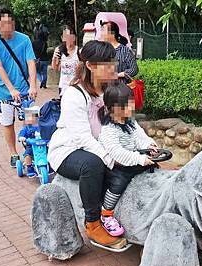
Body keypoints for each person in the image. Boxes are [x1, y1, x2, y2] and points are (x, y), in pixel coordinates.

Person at [47, 40, 128, 252]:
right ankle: (92, 224)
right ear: (91, 65)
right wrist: (111, 158)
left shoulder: (109, 90)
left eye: (113, 63)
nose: (113, 69)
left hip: (97, 145)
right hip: (69, 150)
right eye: (107, 64)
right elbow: (83, 138)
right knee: (94, 164)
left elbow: (127, 121)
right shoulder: (74, 94)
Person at [98, 82, 156, 236]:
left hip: (135, 159)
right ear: (112, 108)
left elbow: (140, 137)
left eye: (131, 104)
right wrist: (140, 159)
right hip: (119, 166)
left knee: (154, 171)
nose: (130, 109)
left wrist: (149, 145)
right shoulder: (108, 130)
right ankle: (106, 214)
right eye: (125, 106)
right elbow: (117, 153)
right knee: (118, 183)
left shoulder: (130, 121)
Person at [0, 6, 38, 168]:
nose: (9, 26)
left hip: (25, 91)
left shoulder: (24, 39)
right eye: (4, 23)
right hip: (2, 92)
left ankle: (29, 152)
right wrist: (11, 89)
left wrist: (33, 85)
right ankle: (13, 153)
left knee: (32, 123)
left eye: (11, 22)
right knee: (7, 123)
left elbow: (31, 62)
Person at [51, 26, 79, 95]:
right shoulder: (60, 50)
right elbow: (55, 68)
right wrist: (54, 58)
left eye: (70, 35)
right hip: (63, 87)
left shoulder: (79, 51)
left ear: (74, 37)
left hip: (76, 87)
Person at [17, 110, 41, 178]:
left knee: (47, 152)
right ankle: (29, 167)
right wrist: (21, 137)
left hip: (41, 144)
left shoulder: (41, 126)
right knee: (28, 155)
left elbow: (46, 132)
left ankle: (48, 165)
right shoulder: (26, 128)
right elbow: (22, 133)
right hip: (30, 145)